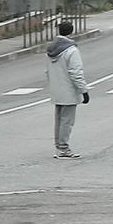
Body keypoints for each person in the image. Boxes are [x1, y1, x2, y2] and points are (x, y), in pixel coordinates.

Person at [46, 20, 89, 159]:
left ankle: (59, 146)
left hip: (56, 89)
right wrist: (84, 90)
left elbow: (47, 71)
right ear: (72, 32)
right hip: (69, 90)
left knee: (59, 119)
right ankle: (64, 148)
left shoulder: (51, 49)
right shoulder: (72, 50)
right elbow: (76, 73)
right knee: (67, 121)